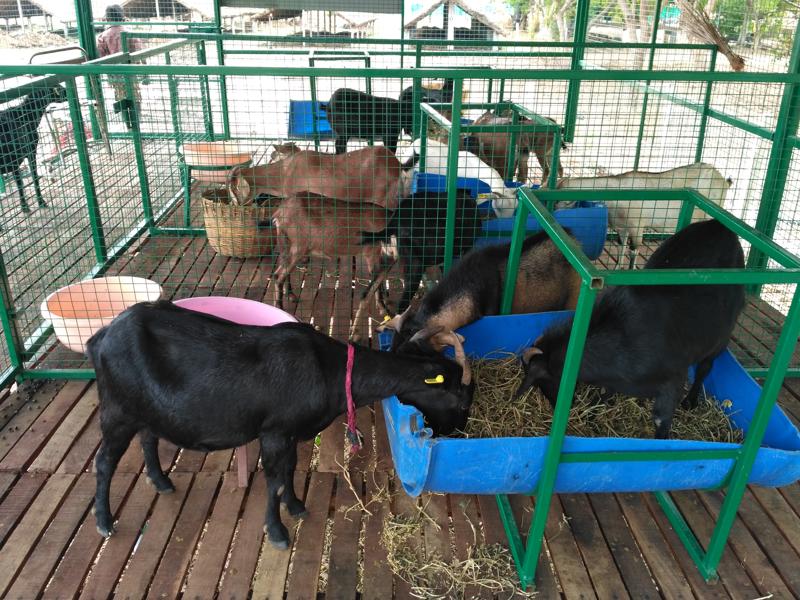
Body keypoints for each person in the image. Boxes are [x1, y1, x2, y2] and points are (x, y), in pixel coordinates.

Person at [96, 5, 143, 106]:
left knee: (120, 96)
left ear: (107, 19)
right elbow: (139, 51)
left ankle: (125, 114)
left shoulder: (103, 36)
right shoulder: (130, 32)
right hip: (131, 71)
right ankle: (136, 114)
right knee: (135, 96)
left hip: (114, 72)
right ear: (122, 16)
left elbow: (101, 56)